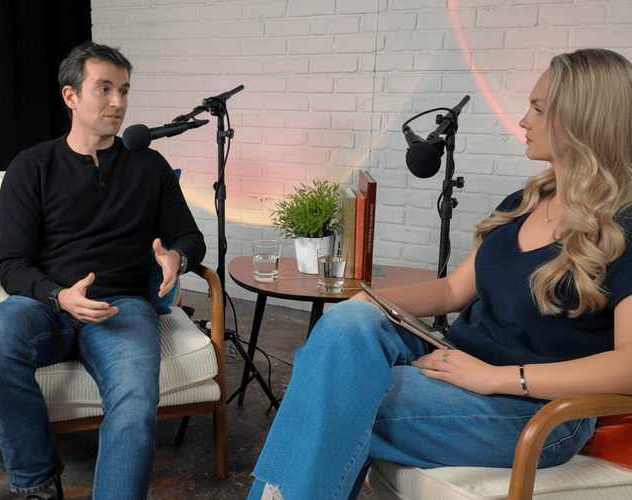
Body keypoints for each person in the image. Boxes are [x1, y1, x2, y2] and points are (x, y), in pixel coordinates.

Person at [246, 47, 632, 500]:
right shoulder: (523, 203)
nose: (523, 120)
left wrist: (497, 378)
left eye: (539, 109)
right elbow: (452, 289)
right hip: (456, 362)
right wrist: (371, 301)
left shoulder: (623, 227)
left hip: (534, 408)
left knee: (332, 396)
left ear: (583, 121)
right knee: (348, 323)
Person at [0, 41, 206, 500]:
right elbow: (11, 263)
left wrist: (177, 257)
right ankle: (38, 484)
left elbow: (189, 237)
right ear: (70, 96)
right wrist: (60, 296)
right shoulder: (32, 166)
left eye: (124, 90)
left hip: (123, 307)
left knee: (135, 401)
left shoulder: (149, 165)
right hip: (45, 305)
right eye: (105, 89)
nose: (118, 101)